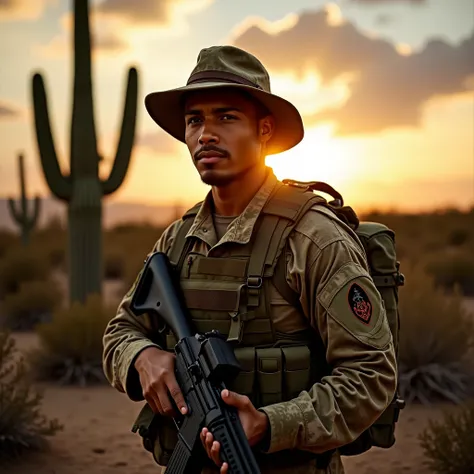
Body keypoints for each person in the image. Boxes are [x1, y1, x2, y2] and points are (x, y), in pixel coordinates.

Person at [102, 45, 397, 474]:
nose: (205, 134)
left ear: (263, 130)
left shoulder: (313, 238)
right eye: (194, 120)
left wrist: (270, 424)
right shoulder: (179, 239)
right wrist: (141, 357)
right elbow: (120, 331)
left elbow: (372, 375)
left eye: (226, 117)